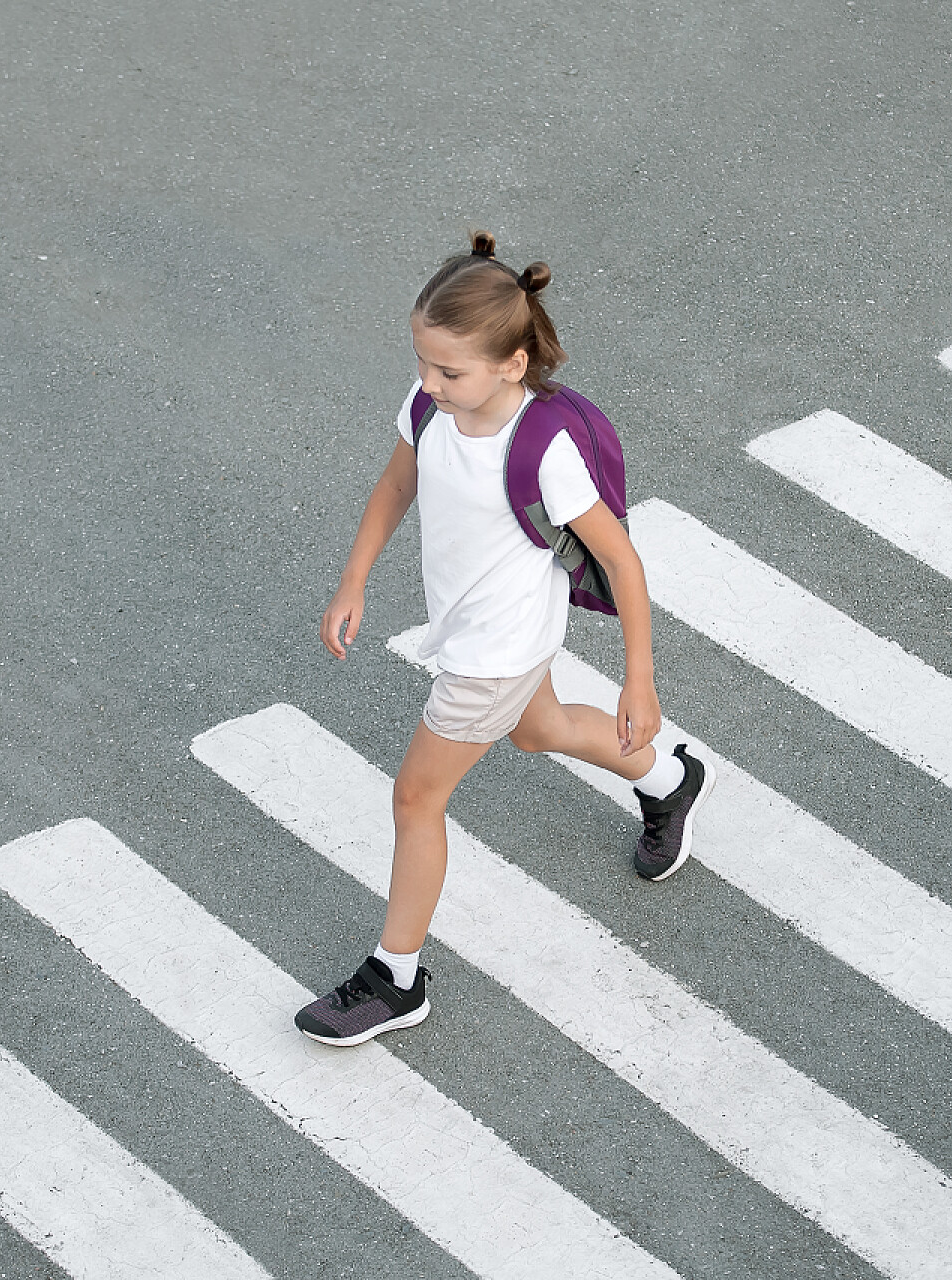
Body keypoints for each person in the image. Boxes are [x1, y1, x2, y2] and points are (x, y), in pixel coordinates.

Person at [296, 231, 715, 1047]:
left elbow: (623, 564)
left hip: (495, 656)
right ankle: (669, 780)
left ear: (513, 365)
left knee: (417, 798)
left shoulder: (544, 451)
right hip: (494, 640)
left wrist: (640, 681)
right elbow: (396, 482)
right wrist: (354, 580)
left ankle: (395, 977)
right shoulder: (431, 410)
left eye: (449, 371)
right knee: (542, 729)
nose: (429, 383)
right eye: (423, 363)